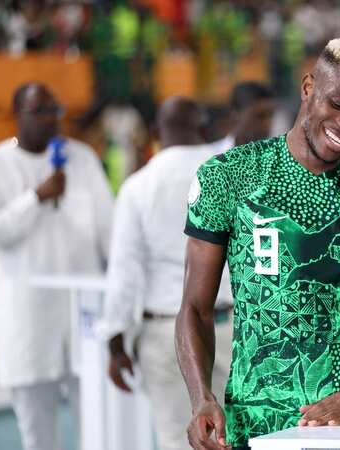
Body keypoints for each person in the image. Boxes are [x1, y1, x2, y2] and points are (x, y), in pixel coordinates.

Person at [176, 38, 340, 450]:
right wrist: (201, 398)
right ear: (307, 88)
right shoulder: (228, 176)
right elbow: (195, 308)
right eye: (338, 104)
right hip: (255, 424)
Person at [95, 96, 234, 450]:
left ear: (157, 132)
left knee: (178, 439)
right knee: (240, 436)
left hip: (167, 335)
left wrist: (116, 343)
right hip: (233, 328)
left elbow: (124, 272)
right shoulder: (230, 175)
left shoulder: (138, 187)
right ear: (204, 130)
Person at [0, 83, 114, 450]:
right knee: (37, 433)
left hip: (84, 315)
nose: (51, 120)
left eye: (54, 111)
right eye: (40, 112)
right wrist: (35, 199)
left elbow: (109, 229)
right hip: (27, 318)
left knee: (96, 426)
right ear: (18, 115)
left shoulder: (82, 158)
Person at [211, 81, 277, 152]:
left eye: (271, 116)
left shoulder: (280, 158)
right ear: (235, 114)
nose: (267, 124)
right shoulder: (204, 159)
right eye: (259, 116)